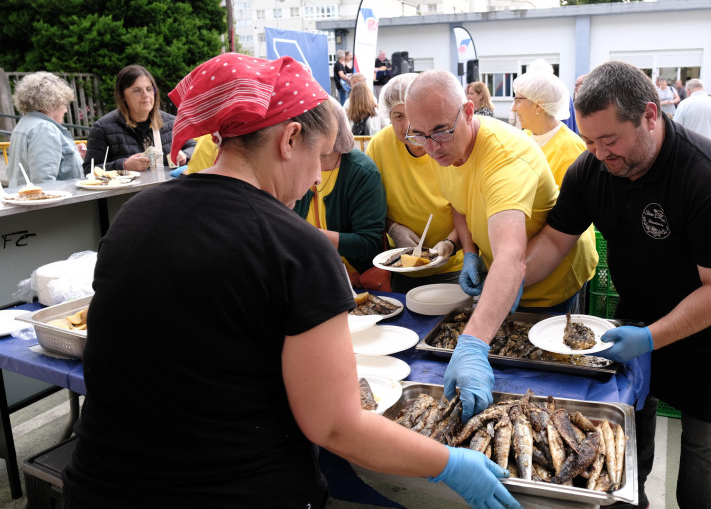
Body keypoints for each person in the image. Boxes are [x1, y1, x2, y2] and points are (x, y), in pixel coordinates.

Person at [63, 53, 519, 509]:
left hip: (99, 487)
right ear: (291, 139)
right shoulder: (295, 247)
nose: (316, 181)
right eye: (321, 159)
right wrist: (447, 463)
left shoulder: (136, 214)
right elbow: (336, 425)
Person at [523, 61, 711, 509]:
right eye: (589, 141)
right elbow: (555, 239)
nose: (599, 153)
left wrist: (651, 338)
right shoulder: (590, 168)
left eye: (610, 140)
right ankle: (634, 502)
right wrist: (511, 278)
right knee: (632, 418)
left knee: (705, 440)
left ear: (650, 115)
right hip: (638, 311)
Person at [404, 70, 598, 421]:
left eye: (440, 132)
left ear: (468, 111)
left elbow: (512, 257)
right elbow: (459, 206)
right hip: (504, 273)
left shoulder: (506, 157)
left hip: (553, 275)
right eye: (419, 135)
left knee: (544, 390)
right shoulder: (442, 148)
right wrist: (472, 254)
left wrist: (474, 343)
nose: (431, 147)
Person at [365, 73, 464, 292]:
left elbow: (468, 208)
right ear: (387, 116)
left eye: (412, 114)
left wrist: (450, 244)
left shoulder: (447, 144)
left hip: (451, 267)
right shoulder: (379, 146)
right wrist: (393, 228)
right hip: (400, 265)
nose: (407, 125)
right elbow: (369, 206)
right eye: (398, 116)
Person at [293, 97, 387, 280]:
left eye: (322, 154)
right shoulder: (293, 166)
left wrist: (308, 237)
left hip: (357, 280)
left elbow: (368, 243)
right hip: (308, 275)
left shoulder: (361, 172)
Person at [82, 65, 193, 173]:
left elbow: (194, 147)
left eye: (149, 89)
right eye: (137, 90)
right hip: (128, 192)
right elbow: (89, 170)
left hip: (168, 189)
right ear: (122, 95)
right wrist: (123, 165)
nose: (146, 95)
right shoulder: (102, 128)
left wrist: (185, 155)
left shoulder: (172, 122)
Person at [511, 64, 585, 186]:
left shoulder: (571, 149)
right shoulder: (523, 138)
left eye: (518, 101)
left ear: (538, 105)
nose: (514, 108)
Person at [6, 72, 84, 187]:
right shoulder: (44, 128)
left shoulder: (25, 123)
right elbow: (44, 182)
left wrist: (75, 155)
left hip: (22, 198)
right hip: (55, 203)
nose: (65, 110)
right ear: (51, 104)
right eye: (63, 104)